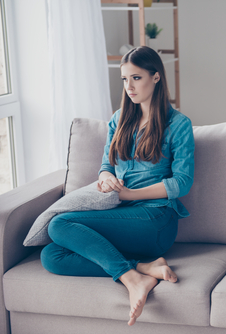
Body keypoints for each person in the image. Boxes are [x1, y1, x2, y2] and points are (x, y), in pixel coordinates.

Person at [40, 46, 195, 326]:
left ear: (156, 77)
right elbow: (106, 164)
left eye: (136, 78)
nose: (129, 86)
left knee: (58, 225)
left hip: (156, 219)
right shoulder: (119, 118)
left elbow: (182, 182)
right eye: (125, 80)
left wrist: (132, 193)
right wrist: (105, 178)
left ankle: (134, 279)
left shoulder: (178, 124)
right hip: (121, 214)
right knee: (52, 255)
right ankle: (140, 270)